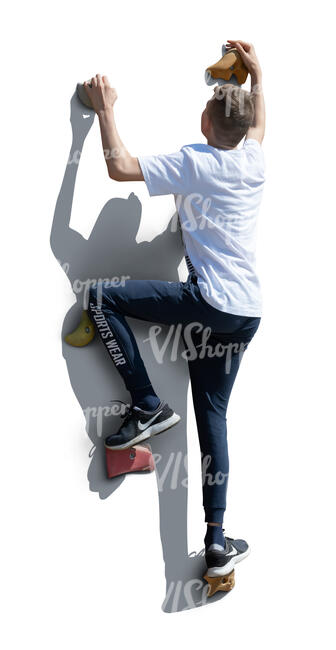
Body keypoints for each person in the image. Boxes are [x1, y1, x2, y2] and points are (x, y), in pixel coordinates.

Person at [83, 39, 265, 575]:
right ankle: (215, 542)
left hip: (208, 302)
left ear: (206, 122)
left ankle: (147, 403)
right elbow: (256, 125)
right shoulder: (253, 160)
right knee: (212, 416)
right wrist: (258, 78)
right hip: (246, 312)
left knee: (100, 299)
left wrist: (105, 109)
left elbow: (120, 168)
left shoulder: (195, 161)